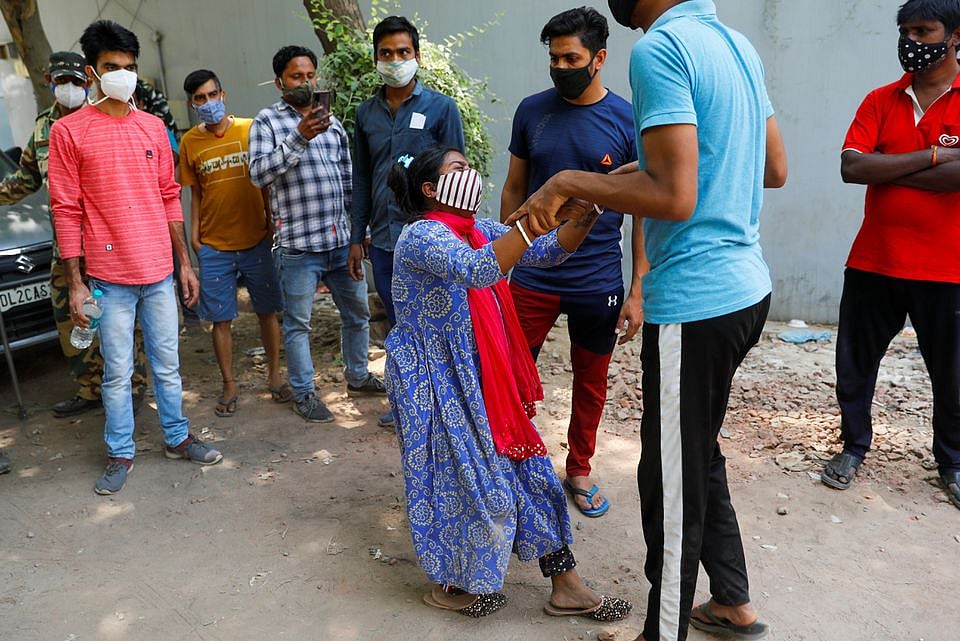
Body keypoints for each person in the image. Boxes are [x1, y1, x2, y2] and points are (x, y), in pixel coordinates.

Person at [510, 1, 788, 639]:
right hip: (746, 286)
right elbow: (772, 168)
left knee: (669, 477)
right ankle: (732, 601)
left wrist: (570, 182)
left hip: (696, 296)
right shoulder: (734, 45)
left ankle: (661, 634)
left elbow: (674, 195)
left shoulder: (661, 48)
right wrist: (614, 179)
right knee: (697, 454)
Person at [384, 146, 632, 621]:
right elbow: (479, 269)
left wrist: (590, 207)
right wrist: (534, 221)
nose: (470, 173)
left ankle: (566, 585)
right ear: (430, 189)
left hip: (482, 377)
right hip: (435, 381)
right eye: (458, 168)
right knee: (463, 480)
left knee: (528, 469)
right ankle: (454, 582)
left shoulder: (478, 230)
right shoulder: (422, 235)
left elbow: (549, 253)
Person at [48, 20, 223, 495]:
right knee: (117, 374)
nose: (122, 75)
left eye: (129, 66)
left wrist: (184, 264)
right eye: (112, 67)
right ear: (92, 72)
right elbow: (65, 208)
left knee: (168, 365)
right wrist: (77, 283)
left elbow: (169, 196)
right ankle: (120, 452)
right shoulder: (68, 132)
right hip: (108, 279)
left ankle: (177, 438)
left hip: (160, 273)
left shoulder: (153, 127)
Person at [500, 7, 645, 518]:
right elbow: (514, 188)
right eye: (554, 59)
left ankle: (579, 468)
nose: (561, 67)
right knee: (512, 376)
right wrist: (500, 262)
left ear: (599, 58)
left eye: (571, 59)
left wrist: (637, 288)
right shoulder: (531, 112)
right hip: (532, 276)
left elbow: (643, 211)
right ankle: (513, 465)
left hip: (597, 281)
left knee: (591, 380)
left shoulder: (628, 119)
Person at [826, 0, 960, 510]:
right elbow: (852, 168)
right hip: (873, 261)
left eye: (924, 31)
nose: (912, 41)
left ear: (955, 36)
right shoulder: (880, 99)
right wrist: (933, 156)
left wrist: (888, 166)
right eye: (906, 31)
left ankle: (953, 461)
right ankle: (853, 446)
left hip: (948, 267)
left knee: (952, 373)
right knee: (855, 365)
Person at [0, 50, 150, 419]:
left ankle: (133, 386)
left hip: (108, 242)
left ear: (88, 80)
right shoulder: (43, 128)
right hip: (65, 248)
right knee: (71, 319)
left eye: (76, 81)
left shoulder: (104, 116)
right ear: (49, 81)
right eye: (61, 81)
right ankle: (91, 387)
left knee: (122, 317)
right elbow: (27, 178)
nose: (69, 87)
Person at [249, 45, 385, 424]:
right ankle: (305, 393)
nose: (305, 83)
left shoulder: (333, 123)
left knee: (357, 315)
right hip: (297, 247)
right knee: (298, 324)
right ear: (279, 82)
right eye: (296, 77)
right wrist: (299, 137)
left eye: (310, 75)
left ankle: (358, 376)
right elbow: (258, 174)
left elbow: (348, 182)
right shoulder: (266, 122)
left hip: (340, 243)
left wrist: (361, 232)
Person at [350, 15, 466, 428]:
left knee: (438, 322)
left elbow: (458, 174)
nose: (395, 60)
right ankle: (407, 404)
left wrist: (457, 234)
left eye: (403, 52)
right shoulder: (366, 114)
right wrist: (356, 237)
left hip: (431, 240)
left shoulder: (440, 108)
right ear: (376, 58)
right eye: (386, 53)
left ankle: (445, 405)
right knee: (399, 326)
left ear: (417, 55)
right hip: (384, 240)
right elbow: (362, 179)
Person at [179, 68, 287, 417]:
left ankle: (275, 375)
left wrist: (270, 223)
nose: (208, 102)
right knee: (220, 319)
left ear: (223, 95)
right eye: (200, 98)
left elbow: (267, 181)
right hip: (214, 246)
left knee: (268, 311)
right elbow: (196, 193)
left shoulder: (251, 129)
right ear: (192, 104)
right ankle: (229, 384)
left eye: (213, 95)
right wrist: (195, 237)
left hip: (257, 240)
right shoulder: (189, 142)